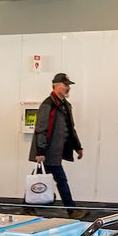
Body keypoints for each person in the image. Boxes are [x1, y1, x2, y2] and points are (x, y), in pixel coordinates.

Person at [29, 73, 83, 209]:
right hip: (48, 151)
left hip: (55, 151)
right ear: (56, 86)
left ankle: (28, 208)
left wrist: (78, 146)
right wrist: (40, 151)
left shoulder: (65, 105)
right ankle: (71, 210)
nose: (68, 88)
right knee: (61, 180)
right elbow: (41, 129)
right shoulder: (48, 105)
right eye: (66, 85)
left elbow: (71, 128)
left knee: (38, 178)